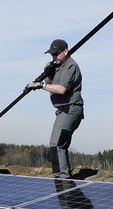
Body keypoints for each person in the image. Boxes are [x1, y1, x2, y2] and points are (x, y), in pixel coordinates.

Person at [26, 39, 84, 179]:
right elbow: (52, 84)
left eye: (57, 54)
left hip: (70, 109)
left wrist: (41, 86)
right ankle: (60, 175)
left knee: (57, 144)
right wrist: (48, 75)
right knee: (57, 144)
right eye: (52, 54)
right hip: (63, 110)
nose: (54, 57)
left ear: (65, 51)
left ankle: (62, 178)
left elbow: (61, 89)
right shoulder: (58, 65)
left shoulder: (71, 66)